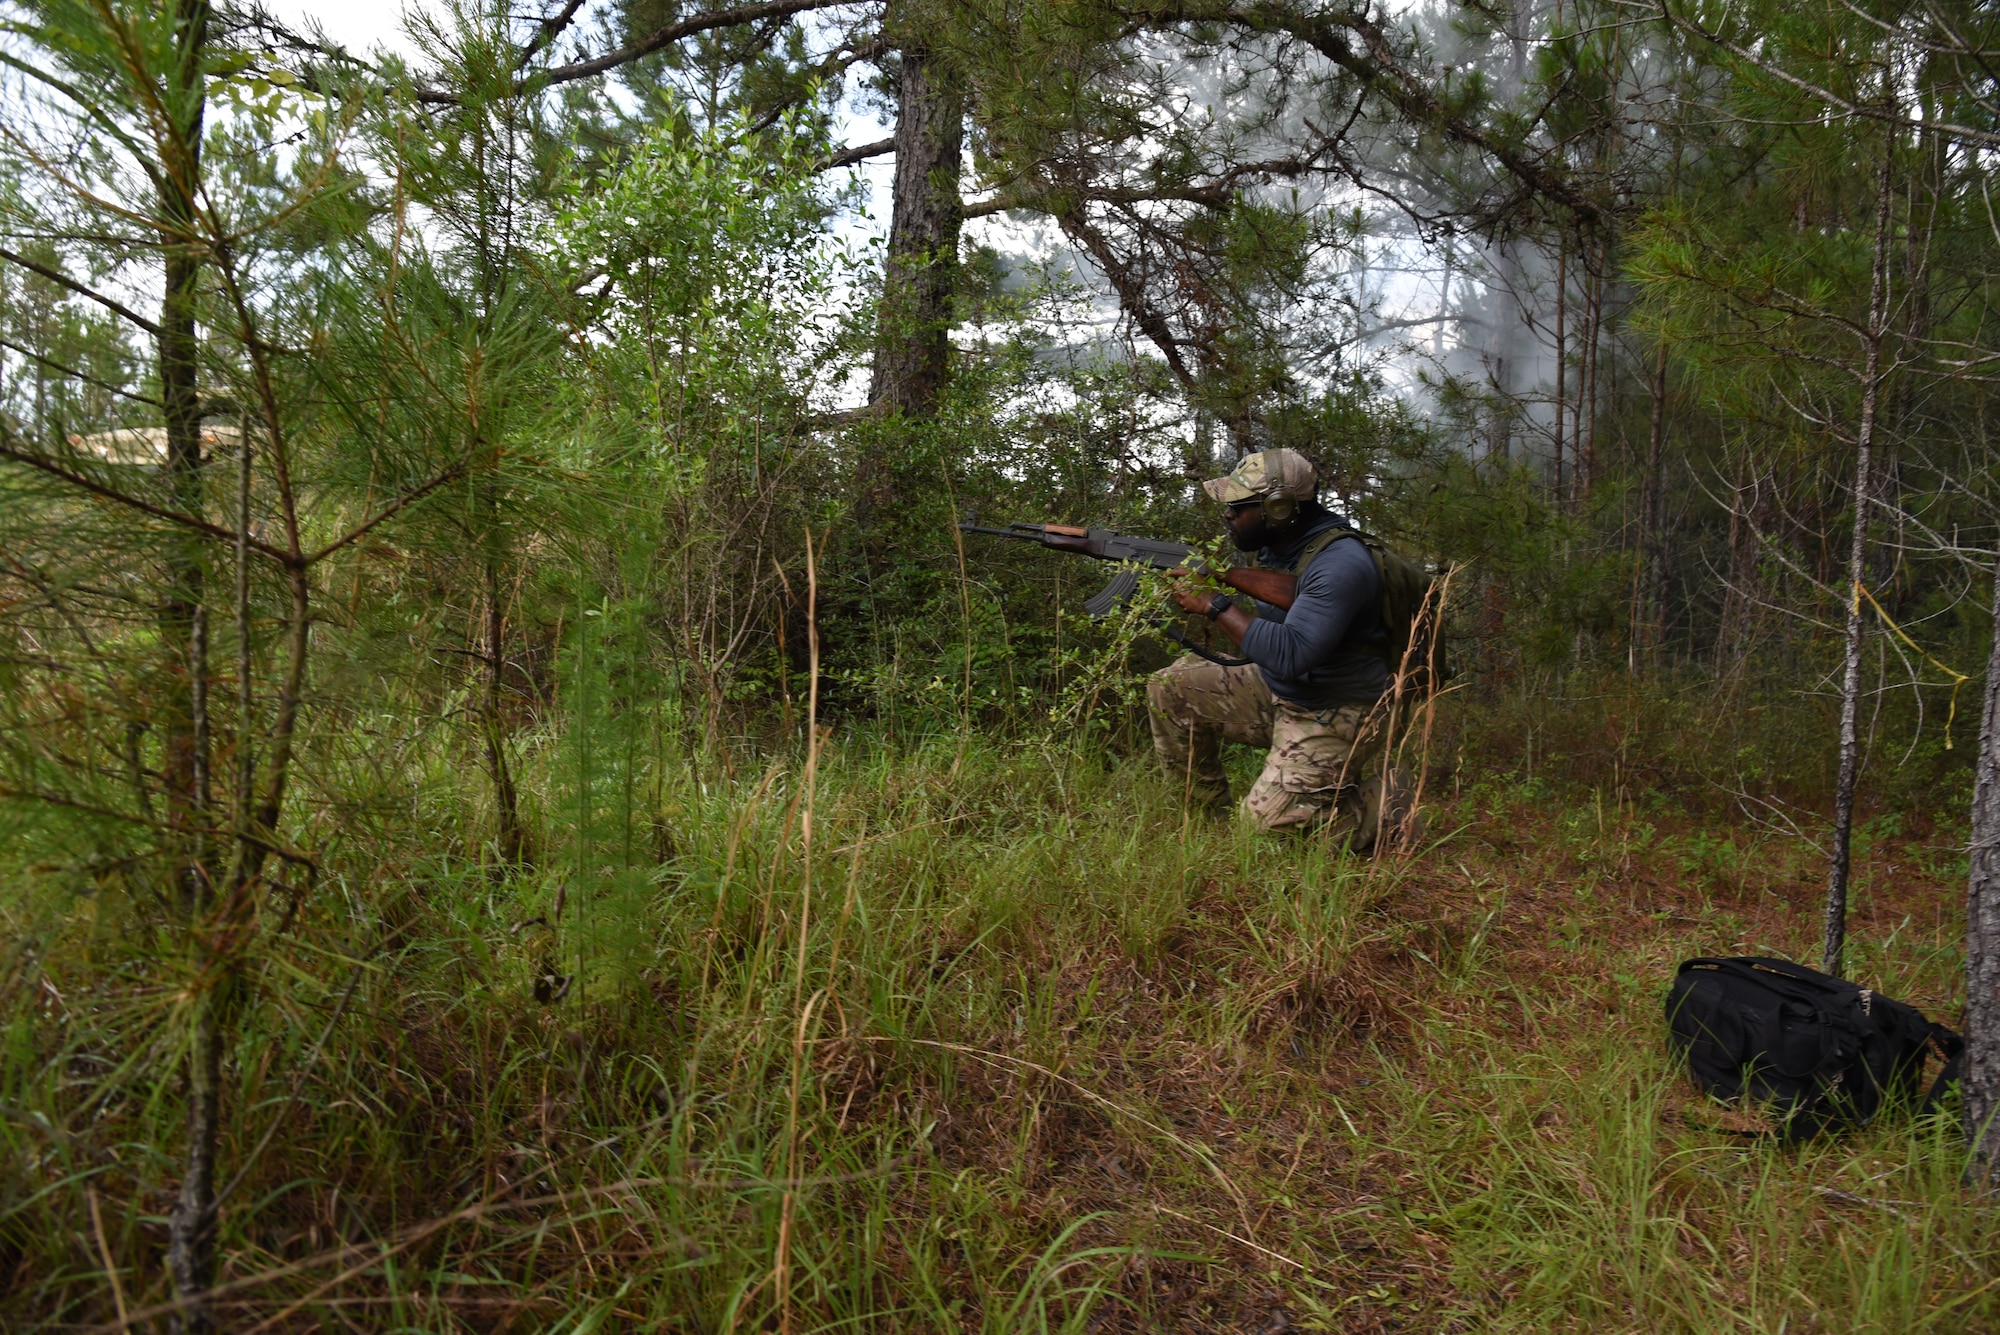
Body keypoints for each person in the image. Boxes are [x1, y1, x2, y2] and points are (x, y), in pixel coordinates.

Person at [1153, 447, 1412, 847]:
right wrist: (1218, 579)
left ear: (1278, 508)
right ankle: (1206, 827)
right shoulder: (1288, 550)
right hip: (1286, 688)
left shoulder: (1341, 563)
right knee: (1171, 687)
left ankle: (1383, 804)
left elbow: (1292, 653)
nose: (1228, 515)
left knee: (1265, 830)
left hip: (1338, 708)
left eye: (1238, 508)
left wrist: (1214, 604)